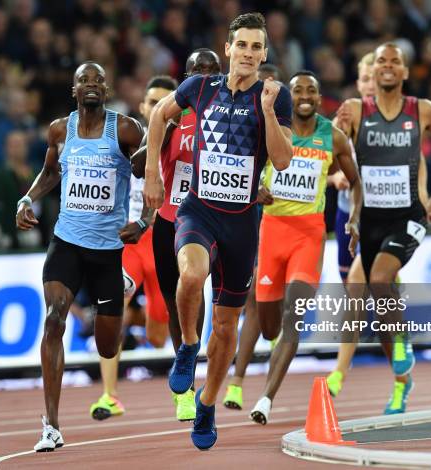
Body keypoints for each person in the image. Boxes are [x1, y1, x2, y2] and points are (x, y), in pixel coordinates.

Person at [144, 12, 293, 450]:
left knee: (227, 326)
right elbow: (157, 117)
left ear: (264, 54)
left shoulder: (275, 97)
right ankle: (188, 345)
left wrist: (266, 111)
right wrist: (153, 173)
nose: (247, 53)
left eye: (256, 47)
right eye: (240, 45)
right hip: (198, 211)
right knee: (190, 275)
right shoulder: (200, 87)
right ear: (227, 48)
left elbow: (282, 161)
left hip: (242, 223)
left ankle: (207, 402)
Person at [16, 62, 143, 452]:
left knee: (106, 347)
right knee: (54, 321)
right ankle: (51, 425)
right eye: (84, 80)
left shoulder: (125, 129)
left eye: (98, 81)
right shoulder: (60, 129)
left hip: (107, 250)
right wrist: (26, 197)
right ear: (74, 90)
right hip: (67, 241)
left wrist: (146, 220)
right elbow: (51, 173)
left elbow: (149, 174)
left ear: (105, 90)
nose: (91, 85)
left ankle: (120, 285)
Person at [332, 42, 431, 413]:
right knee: (371, 296)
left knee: (376, 280)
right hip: (366, 221)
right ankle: (402, 380)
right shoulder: (352, 114)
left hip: (407, 217)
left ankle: (345, 369)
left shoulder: (419, 113)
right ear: (360, 81)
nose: (376, 78)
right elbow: (327, 153)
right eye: (371, 73)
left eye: (390, 65)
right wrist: (334, 173)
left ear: (404, 72)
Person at [242, 70, 361, 425]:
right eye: (298, 90)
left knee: (294, 318)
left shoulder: (333, 136)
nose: (305, 95)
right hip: (272, 232)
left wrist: (354, 219)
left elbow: (357, 184)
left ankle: (266, 397)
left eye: (312, 89)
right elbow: (244, 168)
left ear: (320, 97)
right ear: (288, 97)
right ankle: (270, 353)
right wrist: (253, 191)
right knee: (269, 327)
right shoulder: (270, 130)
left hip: (308, 235)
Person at [88, 75, 177, 422]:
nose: (159, 108)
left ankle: (143, 320)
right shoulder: (125, 138)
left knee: (158, 337)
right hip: (130, 243)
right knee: (113, 304)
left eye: (166, 103)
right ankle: (109, 395)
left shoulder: (185, 141)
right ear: (143, 107)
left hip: (165, 245)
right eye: (153, 103)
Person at [148, 49, 223, 420]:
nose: (204, 76)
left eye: (212, 70)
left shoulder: (227, 115)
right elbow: (138, 163)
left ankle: (195, 366)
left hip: (207, 220)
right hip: (168, 220)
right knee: (173, 301)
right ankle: (185, 383)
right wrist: (150, 155)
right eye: (198, 70)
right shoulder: (171, 117)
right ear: (187, 76)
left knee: (196, 287)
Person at [222, 61, 283, 411]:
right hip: (251, 220)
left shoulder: (281, 122)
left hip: (286, 226)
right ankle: (238, 382)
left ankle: (268, 378)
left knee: (274, 311)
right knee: (252, 304)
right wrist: (251, 188)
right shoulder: (242, 115)